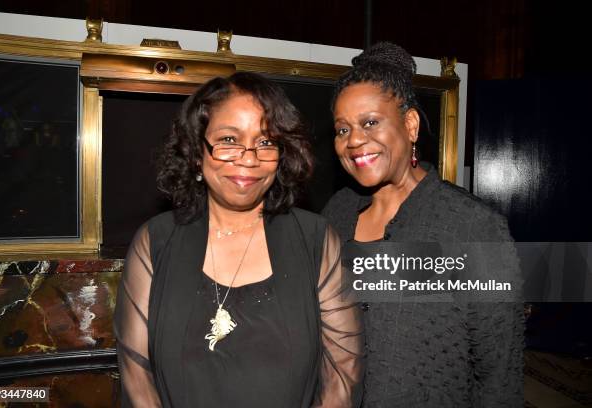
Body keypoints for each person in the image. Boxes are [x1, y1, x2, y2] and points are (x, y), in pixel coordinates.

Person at [114, 72, 363, 407]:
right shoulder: (155, 242)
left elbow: (343, 373)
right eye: (229, 140)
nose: (249, 158)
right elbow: (136, 374)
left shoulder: (316, 240)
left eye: (265, 142)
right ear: (196, 151)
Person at [322, 42, 524, 407]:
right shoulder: (336, 213)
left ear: (410, 125)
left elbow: (499, 373)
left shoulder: (473, 227)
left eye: (370, 122)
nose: (353, 141)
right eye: (341, 129)